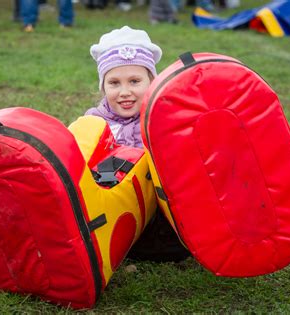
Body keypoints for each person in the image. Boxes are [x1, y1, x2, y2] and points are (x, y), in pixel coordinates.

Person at [85, 26, 190, 262]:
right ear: (103, 87)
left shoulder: (162, 118)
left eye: (134, 81)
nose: (124, 92)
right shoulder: (94, 122)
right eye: (114, 83)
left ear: (151, 81)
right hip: (112, 208)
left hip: (157, 209)